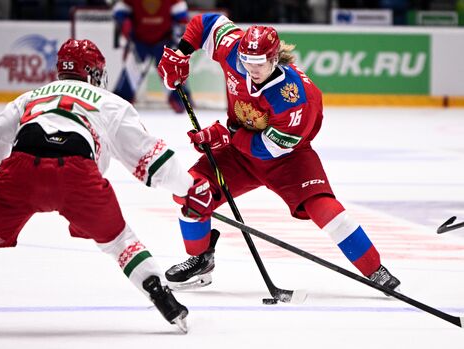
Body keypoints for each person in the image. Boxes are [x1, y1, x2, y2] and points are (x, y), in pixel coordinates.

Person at [0, 38, 215, 332]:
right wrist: (188, 188)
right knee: (120, 242)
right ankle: (165, 301)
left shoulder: (33, 96)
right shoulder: (109, 102)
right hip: (77, 174)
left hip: (20, 169)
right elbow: (152, 157)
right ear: (95, 73)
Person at [156, 13, 401, 292]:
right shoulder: (235, 49)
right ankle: (200, 258)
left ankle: (374, 269)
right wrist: (180, 53)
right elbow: (205, 23)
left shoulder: (294, 96)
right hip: (239, 154)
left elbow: (269, 147)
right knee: (191, 191)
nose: (251, 68)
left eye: (259, 63)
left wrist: (225, 136)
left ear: (275, 58)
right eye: (247, 62)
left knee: (326, 210)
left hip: (289, 158)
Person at [111, 0, 193, 113]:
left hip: (164, 41)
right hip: (139, 41)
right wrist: (124, 21)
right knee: (131, 71)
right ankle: (121, 101)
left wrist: (178, 32)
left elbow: (182, 17)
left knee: (171, 72)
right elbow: (119, 10)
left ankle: (180, 100)